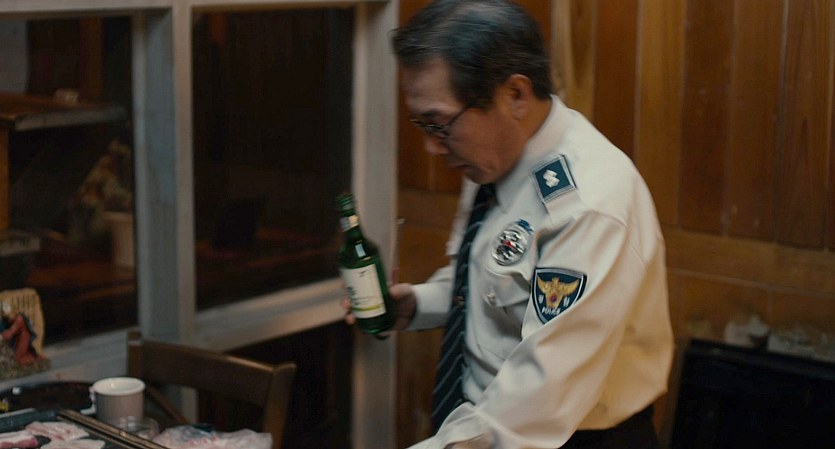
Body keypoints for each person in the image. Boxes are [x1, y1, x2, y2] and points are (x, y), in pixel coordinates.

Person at [343, 1, 674, 447]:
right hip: (485, 424)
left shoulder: (587, 206)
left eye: (439, 125)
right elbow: (494, 279)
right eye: (421, 124)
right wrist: (419, 303)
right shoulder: (495, 156)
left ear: (515, 95)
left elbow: (536, 402)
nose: (431, 148)